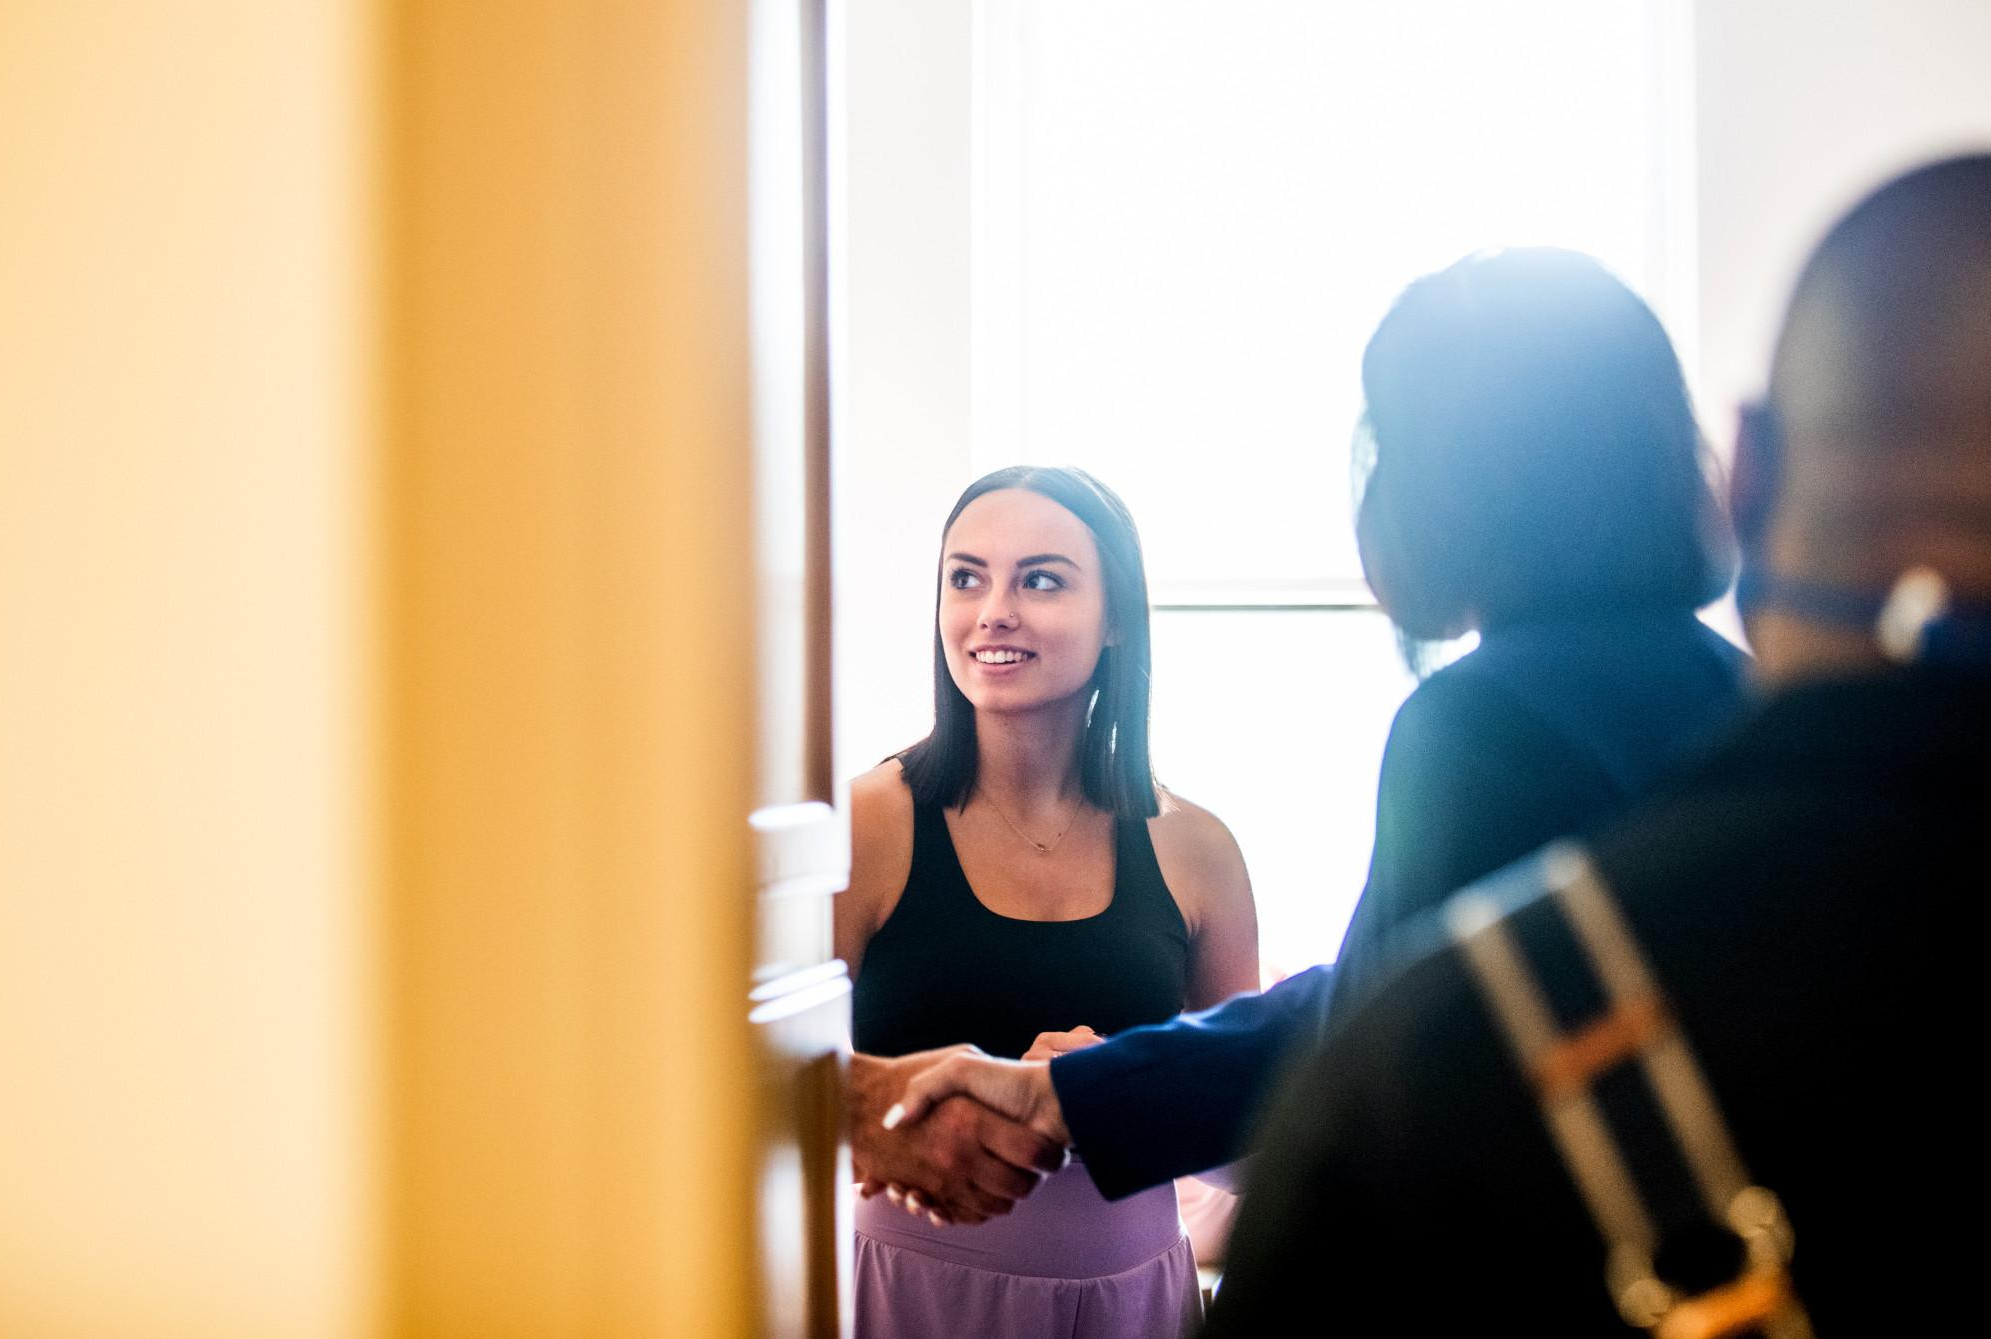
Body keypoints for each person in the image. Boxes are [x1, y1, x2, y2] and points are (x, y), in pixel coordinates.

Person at [1200, 153, 1991, 1333]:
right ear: (1701, 474)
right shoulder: (1717, 686)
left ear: (1753, 474)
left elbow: (1402, 1014)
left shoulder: (1467, 732)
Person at [864, 247, 1748, 1205]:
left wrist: (1071, 1097)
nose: (997, 610)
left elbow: (1380, 1035)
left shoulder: (1484, 725)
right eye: (967, 575)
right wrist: (1064, 1092)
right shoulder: (1737, 690)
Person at [841, 466, 1259, 1338]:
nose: (994, 609)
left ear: (1115, 620)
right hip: (916, 1296)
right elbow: (747, 1075)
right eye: (967, 577)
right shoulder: (866, 825)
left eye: (1040, 579)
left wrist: (1124, 1086)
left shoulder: (1198, 848)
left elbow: (1252, 1140)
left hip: (1132, 1303)